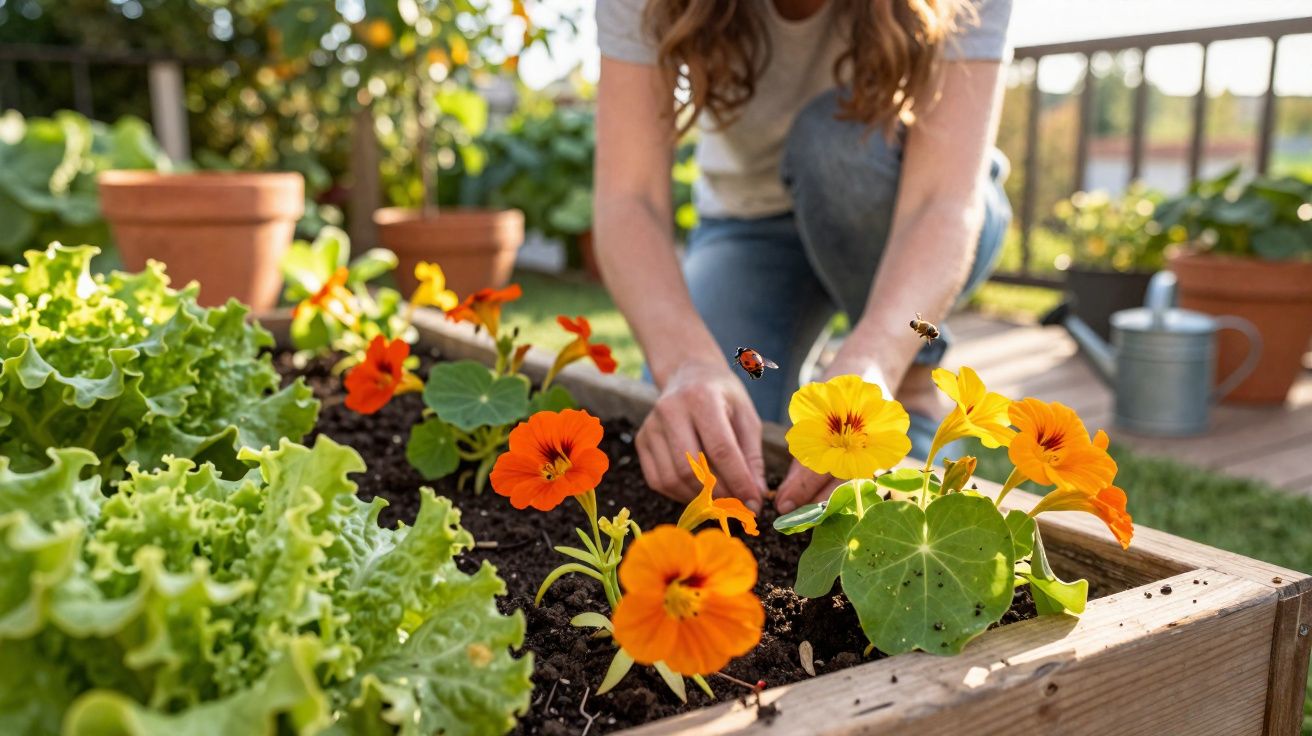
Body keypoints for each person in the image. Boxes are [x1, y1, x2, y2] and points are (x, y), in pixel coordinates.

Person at [593, 0, 1013, 515]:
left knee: (834, 145)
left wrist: (876, 360)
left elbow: (941, 203)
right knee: (714, 443)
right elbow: (627, 198)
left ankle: (912, 382)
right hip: (751, 226)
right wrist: (686, 363)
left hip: (901, 205)